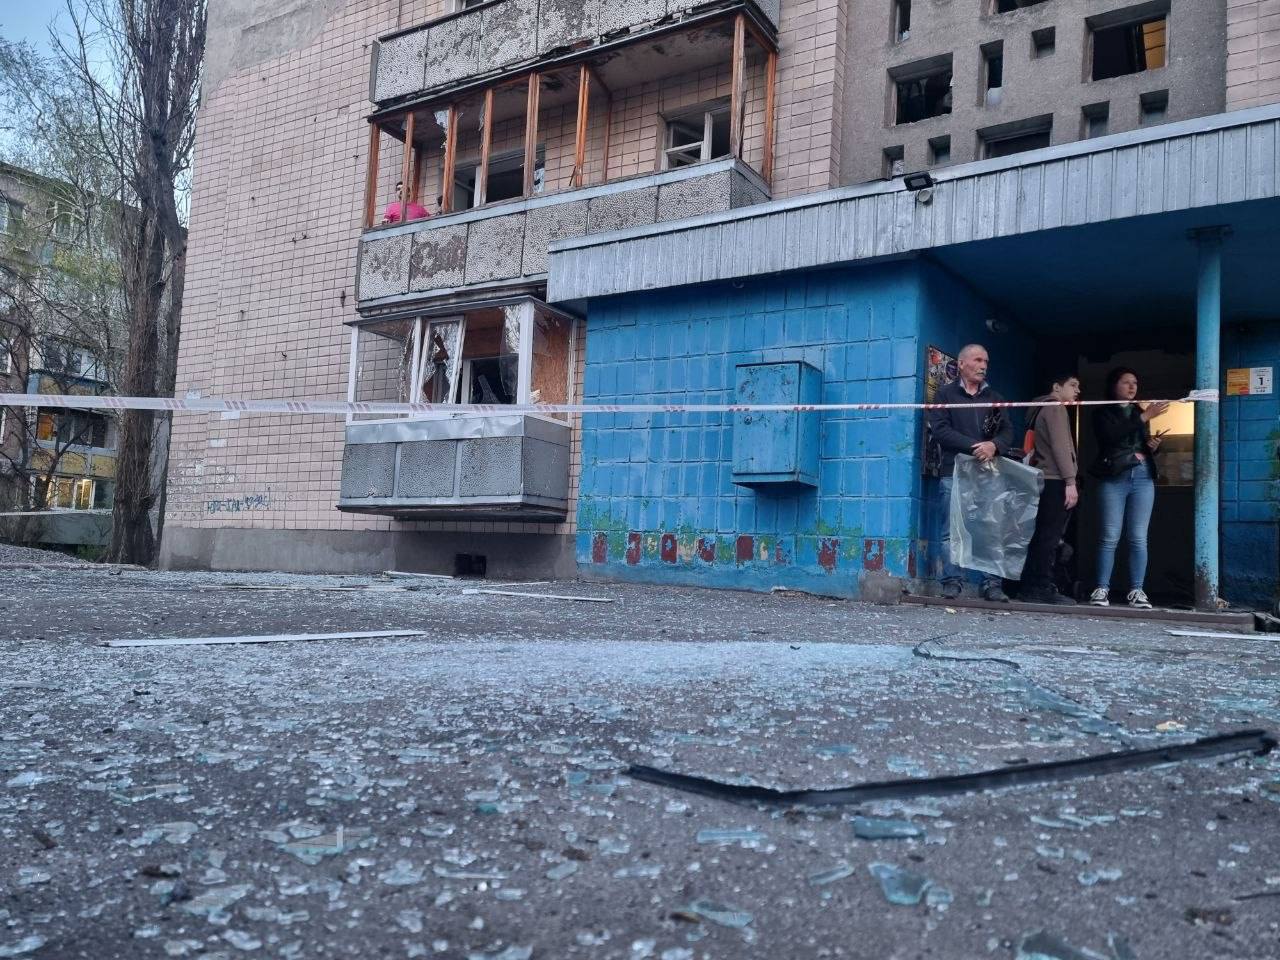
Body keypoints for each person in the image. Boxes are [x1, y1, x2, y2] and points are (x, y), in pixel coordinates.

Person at [926, 343, 1018, 602]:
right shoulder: (944, 395)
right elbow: (940, 430)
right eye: (978, 360)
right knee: (952, 531)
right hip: (953, 472)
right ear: (962, 363)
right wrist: (976, 447)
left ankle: (992, 585)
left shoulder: (995, 397)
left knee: (991, 529)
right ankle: (952, 582)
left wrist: (994, 446)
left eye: (986, 361)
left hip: (988, 473)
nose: (983, 366)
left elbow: (1008, 431)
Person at [1089, 367, 1169, 610]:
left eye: (1135, 382)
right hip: (1114, 476)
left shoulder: (1138, 412)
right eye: (1126, 382)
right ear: (1114, 385)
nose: (1132, 386)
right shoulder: (1102, 411)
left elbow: (1138, 442)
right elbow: (1111, 437)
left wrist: (1153, 446)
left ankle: (1137, 589)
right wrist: (1144, 418)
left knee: (1138, 537)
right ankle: (1101, 588)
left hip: (1143, 475)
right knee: (1109, 535)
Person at [1021, 371, 1081, 605]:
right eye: (1073, 385)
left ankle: (1030, 586)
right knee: (1050, 536)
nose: (1077, 391)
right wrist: (1070, 481)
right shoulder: (1055, 408)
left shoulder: (1039, 409)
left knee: (1040, 534)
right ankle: (1041, 586)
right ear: (1057, 387)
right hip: (1055, 479)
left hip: (1043, 478)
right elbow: (1060, 446)